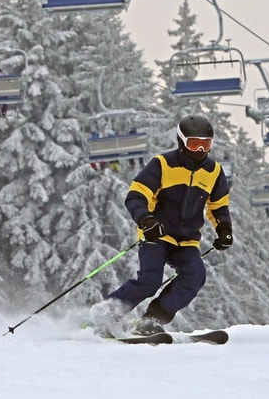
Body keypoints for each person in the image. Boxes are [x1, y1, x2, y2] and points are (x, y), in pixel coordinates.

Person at [93, 115, 233, 336]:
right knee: (150, 280)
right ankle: (107, 313)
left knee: (195, 275)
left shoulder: (213, 172)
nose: (200, 150)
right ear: (181, 141)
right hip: (156, 235)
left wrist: (224, 229)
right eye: (194, 144)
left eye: (206, 145)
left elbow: (218, 207)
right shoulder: (163, 164)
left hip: (186, 240)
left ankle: (151, 321)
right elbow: (136, 195)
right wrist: (146, 220)